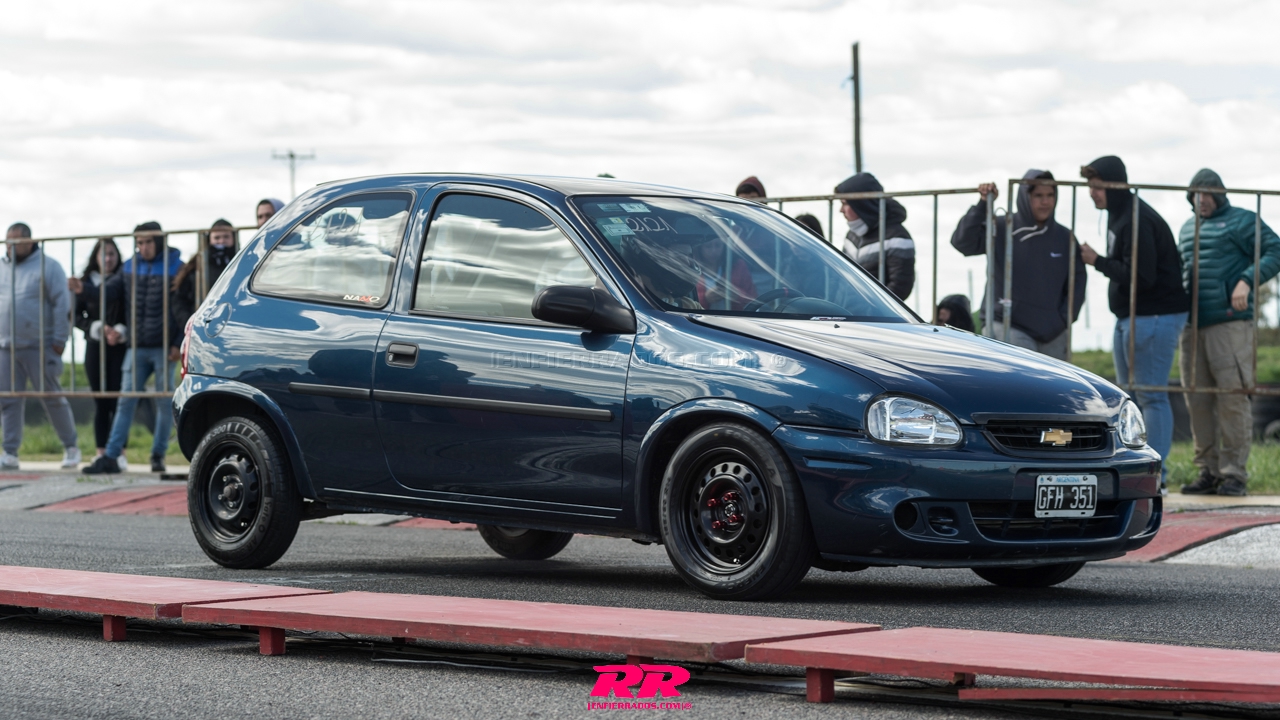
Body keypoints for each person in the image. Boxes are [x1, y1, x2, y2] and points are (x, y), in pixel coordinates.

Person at [1078, 156, 1189, 490]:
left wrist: (1097, 261)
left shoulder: (1137, 218)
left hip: (1153, 315)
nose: (1092, 193)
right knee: (1132, 397)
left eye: (1097, 186)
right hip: (1133, 317)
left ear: (1115, 185)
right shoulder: (1121, 214)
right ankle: (1139, 474)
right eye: (1090, 187)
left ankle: (1155, 476)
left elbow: (1142, 276)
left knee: (1151, 395)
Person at [1177, 169, 1280, 496]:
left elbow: (1276, 250)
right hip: (1191, 327)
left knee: (1232, 399)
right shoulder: (1186, 228)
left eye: (1208, 193)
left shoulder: (1242, 220)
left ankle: (1234, 474)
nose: (1202, 199)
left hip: (1230, 324)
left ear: (1220, 194)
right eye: (1196, 194)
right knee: (1197, 400)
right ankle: (1208, 471)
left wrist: (1247, 280)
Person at [950, 170, 1087, 359]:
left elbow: (1077, 281)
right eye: (1038, 195)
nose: (1045, 202)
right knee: (1020, 378)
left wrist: (1063, 319)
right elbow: (962, 242)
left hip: (1054, 333)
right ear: (1024, 196)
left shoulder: (1065, 237)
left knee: (1055, 380)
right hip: (1008, 325)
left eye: (1050, 195)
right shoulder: (1002, 227)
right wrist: (983, 204)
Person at [83, 222, 185, 475]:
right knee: (125, 402)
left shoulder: (176, 266)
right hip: (136, 346)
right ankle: (111, 456)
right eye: (139, 242)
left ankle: (158, 454)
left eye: (148, 242)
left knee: (163, 404)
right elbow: (108, 291)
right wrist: (83, 289)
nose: (143, 247)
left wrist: (176, 343)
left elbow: (182, 306)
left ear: (159, 241)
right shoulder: (129, 265)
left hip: (163, 348)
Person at [0, 223, 80, 470]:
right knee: (9, 400)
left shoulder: (49, 266)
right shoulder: (2, 267)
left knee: (52, 398)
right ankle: (10, 452)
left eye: (15, 243)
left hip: (40, 346)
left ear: (29, 241)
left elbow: (62, 304)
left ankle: (71, 447)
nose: (10, 248)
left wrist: (59, 340)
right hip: (6, 346)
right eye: (7, 243)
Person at [68, 238, 129, 465]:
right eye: (103, 254)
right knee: (100, 401)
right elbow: (75, 316)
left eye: (112, 254)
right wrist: (97, 328)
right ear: (95, 257)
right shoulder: (86, 282)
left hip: (119, 346)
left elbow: (131, 310)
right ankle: (101, 451)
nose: (108, 259)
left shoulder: (124, 279)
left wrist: (120, 330)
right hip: (94, 346)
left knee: (118, 401)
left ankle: (120, 452)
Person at [834, 173, 915, 300]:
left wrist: (869, 307)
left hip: (876, 311)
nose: (841, 210)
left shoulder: (898, 237)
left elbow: (900, 286)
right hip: (848, 310)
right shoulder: (851, 235)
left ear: (861, 205)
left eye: (845, 203)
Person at [172, 218, 237, 328]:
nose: (221, 241)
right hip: (201, 327)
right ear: (209, 239)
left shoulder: (242, 263)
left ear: (234, 238)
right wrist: (189, 323)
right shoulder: (196, 266)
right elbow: (179, 299)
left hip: (233, 327)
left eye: (226, 237)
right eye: (217, 238)